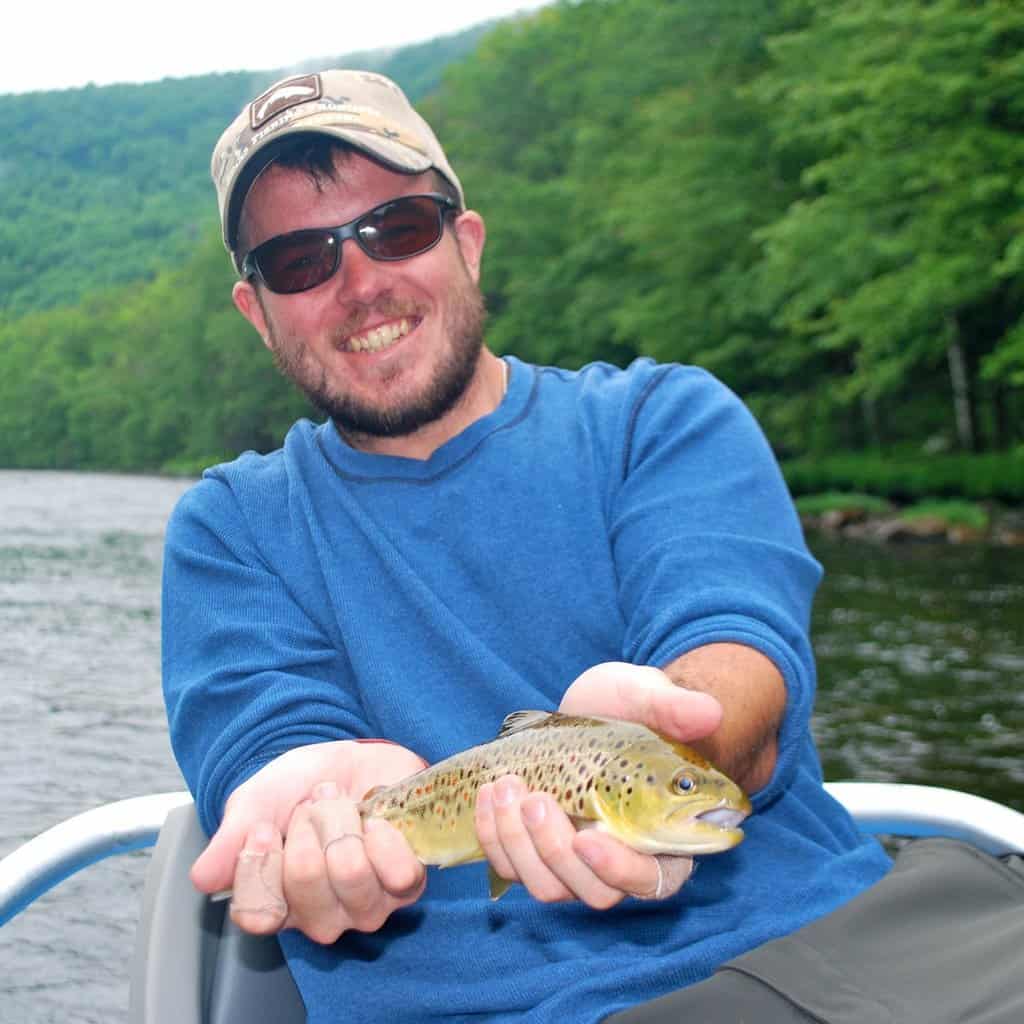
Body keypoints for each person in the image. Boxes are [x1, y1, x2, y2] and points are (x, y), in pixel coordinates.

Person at [161, 69, 892, 1023]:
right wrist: (311, 821)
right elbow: (273, 742)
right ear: (258, 313)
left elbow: (734, 643)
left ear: (465, 243)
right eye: (300, 260)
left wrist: (667, 735)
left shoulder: (659, 420)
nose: (358, 281)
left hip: (813, 967)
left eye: (396, 229)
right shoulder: (231, 530)